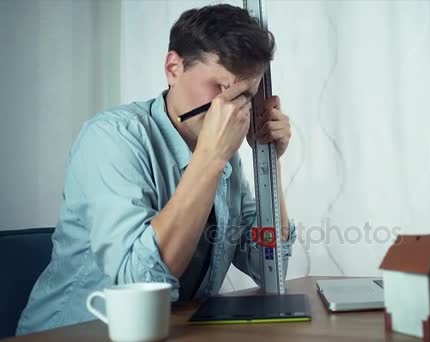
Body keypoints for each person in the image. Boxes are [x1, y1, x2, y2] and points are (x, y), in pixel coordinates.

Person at [17, 4, 295, 335]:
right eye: (221, 89)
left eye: (245, 96)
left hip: (170, 331)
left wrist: (268, 160)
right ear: (173, 68)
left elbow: (266, 265)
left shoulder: (225, 154)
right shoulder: (111, 139)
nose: (232, 109)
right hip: (76, 333)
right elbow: (140, 282)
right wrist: (210, 157)